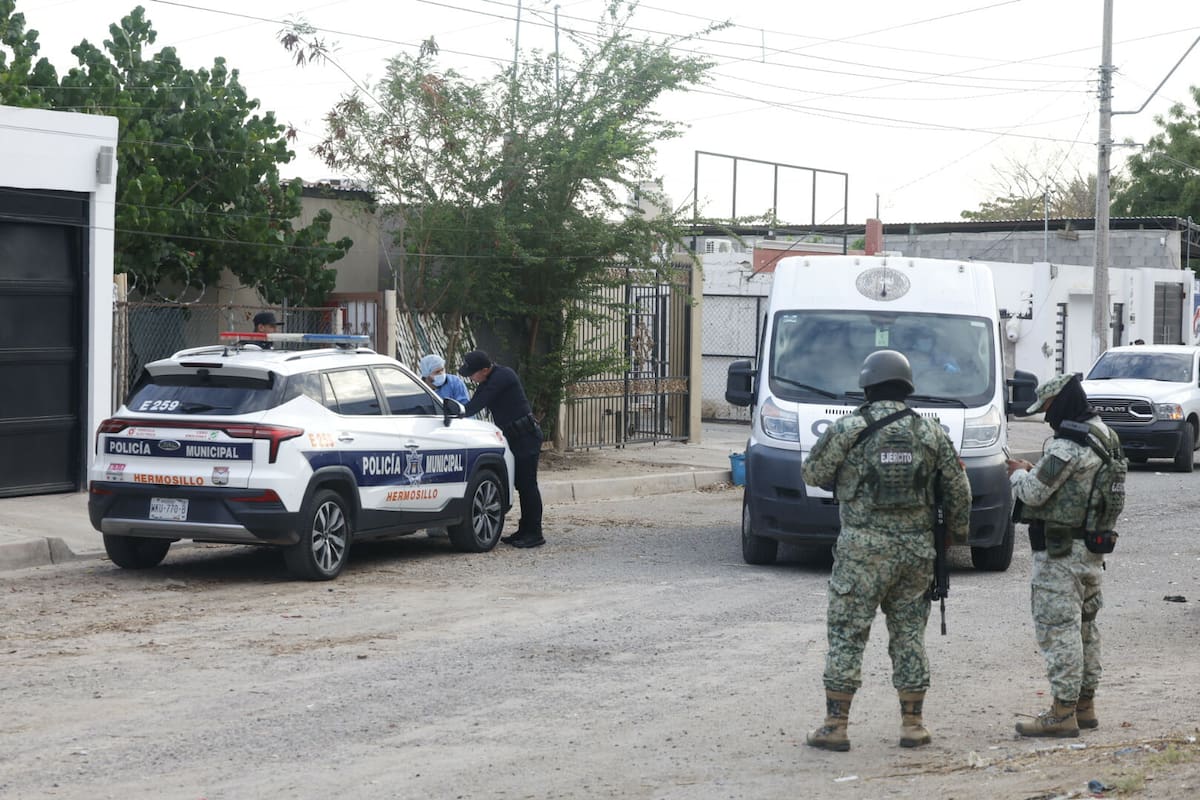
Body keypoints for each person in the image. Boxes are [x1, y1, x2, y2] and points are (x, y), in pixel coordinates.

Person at [800, 349, 971, 752]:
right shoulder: (931, 432)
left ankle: (835, 726)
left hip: (861, 551)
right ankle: (913, 724)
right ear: (907, 386)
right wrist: (954, 537)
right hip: (915, 552)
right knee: (910, 634)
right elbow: (959, 492)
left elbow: (814, 473)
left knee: (847, 633)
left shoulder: (849, 428)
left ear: (867, 385)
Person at [1006, 373, 1115, 738]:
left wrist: (1018, 475)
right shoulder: (1105, 436)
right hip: (1092, 549)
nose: (1047, 417)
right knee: (1086, 627)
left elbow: (1035, 494)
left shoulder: (1067, 444)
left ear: (1061, 403)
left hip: (1060, 553)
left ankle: (1062, 712)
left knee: (1059, 630)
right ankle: (1085, 705)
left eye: (1048, 408)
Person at [458, 350, 545, 548]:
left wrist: (456, 412)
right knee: (521, 485)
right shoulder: (488, 381)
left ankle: (534, 532)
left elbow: (475, 406)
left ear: (485, 369)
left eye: (473, 374)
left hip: (526, 437)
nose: (471, 378)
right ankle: (524, 530)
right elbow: (471, 404)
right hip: (513, 438)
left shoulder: (503, 376)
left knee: (528, 485)